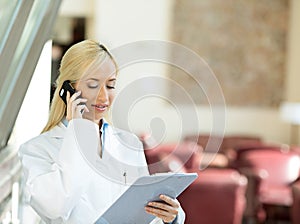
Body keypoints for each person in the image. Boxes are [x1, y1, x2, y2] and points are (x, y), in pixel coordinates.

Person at [18, 40, 185, 224]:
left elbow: (142, 214)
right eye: (93, 85)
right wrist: (79, 131)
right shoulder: (37, 150)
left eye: (110, 85)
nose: (104, 97)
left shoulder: (129, 143)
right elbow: (56, 207)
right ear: (69, 90)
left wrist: (169, 217)